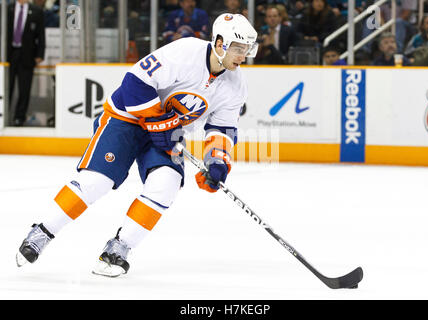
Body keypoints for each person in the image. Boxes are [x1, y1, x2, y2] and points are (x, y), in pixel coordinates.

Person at [16, 13, 259, 278]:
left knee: (166, 183)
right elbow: (135, 82)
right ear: (220, 42)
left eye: (246, 49)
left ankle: (118, 249)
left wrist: (217, 161)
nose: (242, 55)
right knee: (97, 181)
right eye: (238, 48)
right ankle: (41, 232)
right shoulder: (186, 51)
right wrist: (158, 121)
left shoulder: (236, 85)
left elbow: (222, 129)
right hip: (126, 118)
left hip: (168, 133)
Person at [7, 0, 45, 127]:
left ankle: (19, 117)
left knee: (24, 88)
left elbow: (41, 34)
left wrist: (40, 54)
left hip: (27, 55)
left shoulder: (37, 11)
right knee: (6, 87)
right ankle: (4, 115)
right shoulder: (7, 8)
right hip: (8, 55)